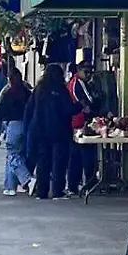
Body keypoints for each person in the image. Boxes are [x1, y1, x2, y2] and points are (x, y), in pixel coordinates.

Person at [24, 64, 77, 200]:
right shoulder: (61, 90)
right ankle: (57, 191)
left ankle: (42, 191)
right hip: (59, 131)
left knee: (43, 160)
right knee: (59, 162)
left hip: (40, 130)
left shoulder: (39, 89)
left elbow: (29, 109)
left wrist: (28, 128)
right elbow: (68, 110)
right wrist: (80, 106)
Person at [0, 68, 33, 196]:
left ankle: (27, 179)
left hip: (13, 125)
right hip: (27, 125)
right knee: (19, 155)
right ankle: (10, 186)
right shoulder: (27, 93)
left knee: (12, 155)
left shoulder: (8, 93)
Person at [66, 62, 98, 196]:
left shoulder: (73, 83)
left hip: (75, 123)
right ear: (79, 71)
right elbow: (89, 102)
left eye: (91, 72)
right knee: (86, 156)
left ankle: (75, 184)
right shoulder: (79, 84)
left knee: (76, 157)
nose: (89, 75)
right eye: (86, 72)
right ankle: (89, 184)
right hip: (80, 124)